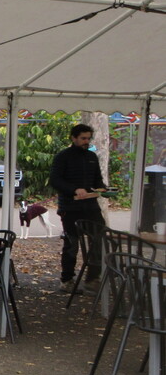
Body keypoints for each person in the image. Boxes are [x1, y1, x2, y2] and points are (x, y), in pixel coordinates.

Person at [50, 123, 107, 292]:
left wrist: (102, 188)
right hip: (70, 207)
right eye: (83, 138)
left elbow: (97, 180)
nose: (86, 141)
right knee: (72, 243)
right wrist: (74, 189)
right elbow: (55, 180)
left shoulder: (92, 157)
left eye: (88, 138)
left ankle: (92, 278)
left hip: (91, 206)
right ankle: (67, 279)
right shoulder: (63, 157)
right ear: (73, 138)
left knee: (99, 239)